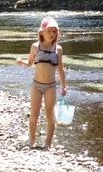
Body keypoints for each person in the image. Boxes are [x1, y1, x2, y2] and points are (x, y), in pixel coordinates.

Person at [16, 17, 66, 149]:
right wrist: (22, 62)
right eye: (49, 31)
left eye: (54, 31)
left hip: (51, 86)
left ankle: (48, 142)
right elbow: (30, 63)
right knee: (34, 114)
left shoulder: (58, 49)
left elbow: (60, 68)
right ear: (41, 33)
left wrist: (64, 86)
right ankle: (32, 140)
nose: (52, 34)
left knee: (50, 114)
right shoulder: (35, 47)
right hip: (36, 85)